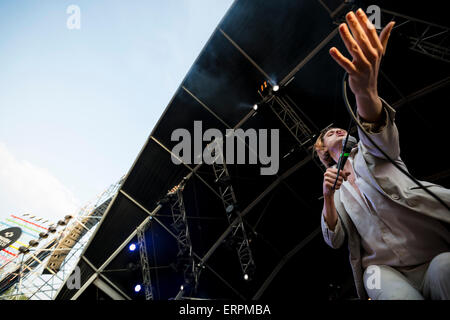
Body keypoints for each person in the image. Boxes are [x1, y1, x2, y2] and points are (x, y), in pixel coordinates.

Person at [315, 9, 450, 300]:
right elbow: (334, 239)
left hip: (432, 250)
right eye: (330, 134)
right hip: (381, 269)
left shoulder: (369, 153)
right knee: (384, 288)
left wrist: (364, 93)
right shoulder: (335, 191)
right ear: (324, 152)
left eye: (340, 128)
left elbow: (378, 134)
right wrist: (327, 196)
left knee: (446, 268)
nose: (337, 131)